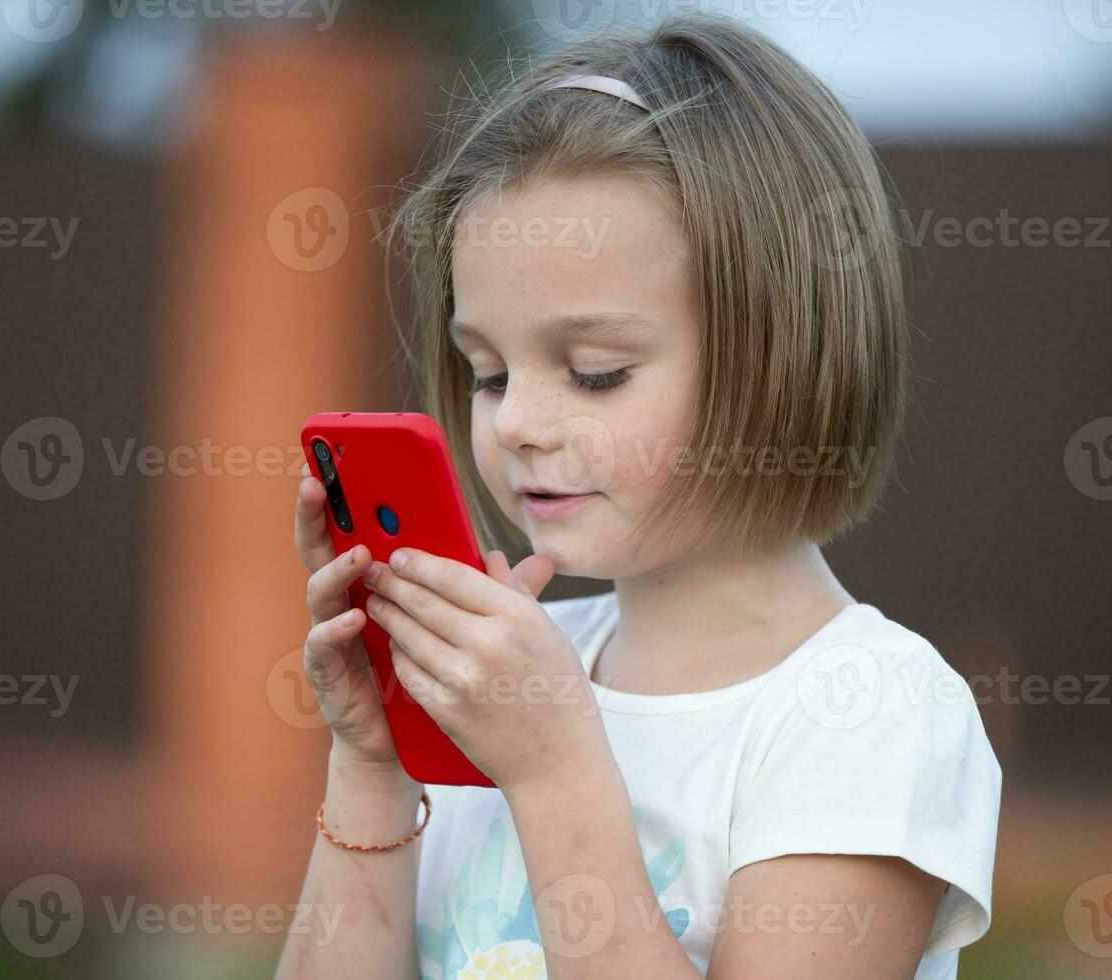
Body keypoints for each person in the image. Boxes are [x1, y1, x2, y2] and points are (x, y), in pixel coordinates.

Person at [278, 14, 1000, 979]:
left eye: (596, 371)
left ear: (782, 349)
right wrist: (376, 762)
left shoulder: (868, 713)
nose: (517, 422)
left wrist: (553, 771)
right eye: (488, 373)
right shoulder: (505, 677)